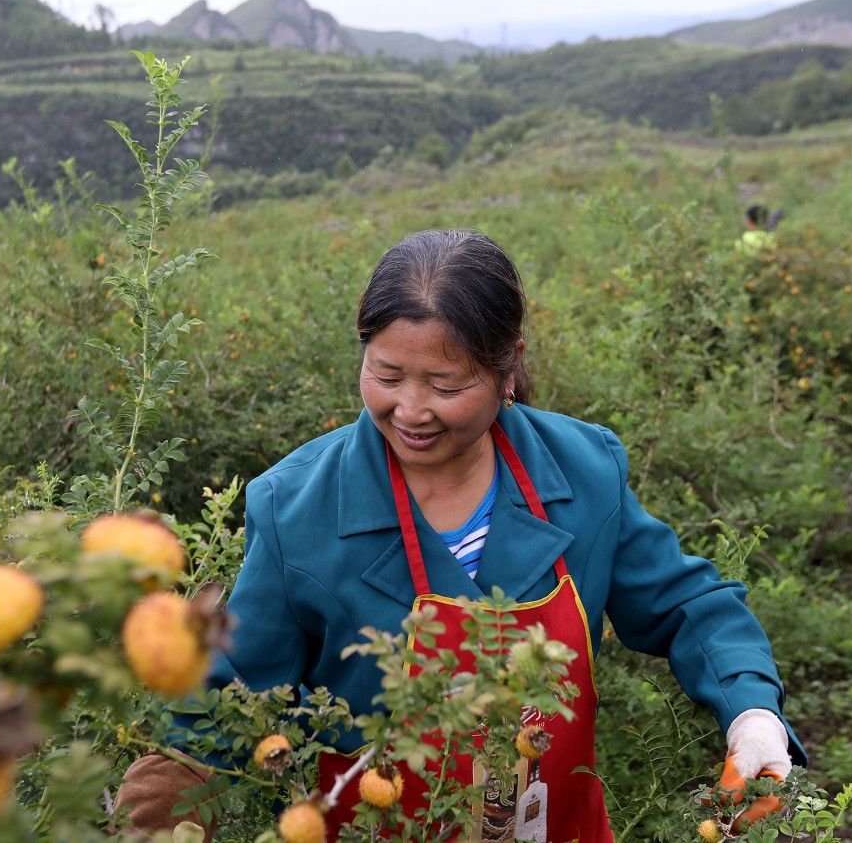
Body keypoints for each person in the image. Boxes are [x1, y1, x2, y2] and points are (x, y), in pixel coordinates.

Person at [115, 229, 806, 841]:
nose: (410, 410)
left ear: (508, 369)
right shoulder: (299, 508)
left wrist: (750, 710)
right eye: (386, 374)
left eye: (445, 384)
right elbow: (225, 704)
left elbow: (691, 604)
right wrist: (157, 814)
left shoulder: (582, 469)